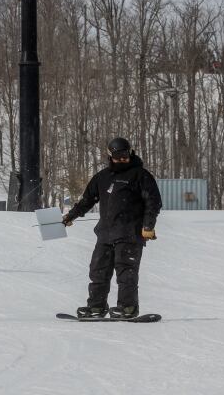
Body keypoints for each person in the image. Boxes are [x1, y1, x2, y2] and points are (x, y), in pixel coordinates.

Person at [62, 137, 162, 319]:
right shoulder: (102, 177)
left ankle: (128, 308)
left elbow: (153, 202)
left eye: (125, 156)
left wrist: (148, 225)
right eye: (118, 157)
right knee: (98, 271)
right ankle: (96, 307)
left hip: (130, 233)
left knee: (126, 272)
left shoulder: (140, 175)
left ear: (130, 153)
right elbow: (87, 200)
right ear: (110, 156)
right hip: (106, 234)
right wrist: (71, 216)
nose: (122, 160)